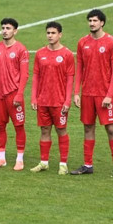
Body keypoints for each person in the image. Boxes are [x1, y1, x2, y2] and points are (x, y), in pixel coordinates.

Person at [71, 9, 113, 179]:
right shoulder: (82, 43)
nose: (92, 23)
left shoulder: (111, 42)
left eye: (95, 20)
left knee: (110, 128)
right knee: (88, 127)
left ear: (102, 23)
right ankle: (88, 165)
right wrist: (76, 92)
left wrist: (109, 95)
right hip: (87, 93)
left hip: (104, 95)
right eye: (90, 20)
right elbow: (79, 68)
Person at [30, 21, 74, 175]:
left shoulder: (67, 54)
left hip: (59, 101)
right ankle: (44, 162)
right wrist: (34, 98)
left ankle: (63, 164)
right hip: (43, 100)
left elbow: (70, 80)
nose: (50, 35)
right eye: (48, 33)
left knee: (61, 130)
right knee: (44, 130)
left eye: (53, 33)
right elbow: (35, 76)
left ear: (60, 35)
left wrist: (67, 101)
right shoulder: (40, 53)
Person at [0, 18, 30, 171]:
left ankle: (19, 159)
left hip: (13, 95)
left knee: (19, 126)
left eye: (8, 28)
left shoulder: (21, 50)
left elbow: (24, 75)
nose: (5, 30)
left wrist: (19, 94)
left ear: (15, 31)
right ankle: (1, 158)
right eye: (3, 27)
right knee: (0, 126)